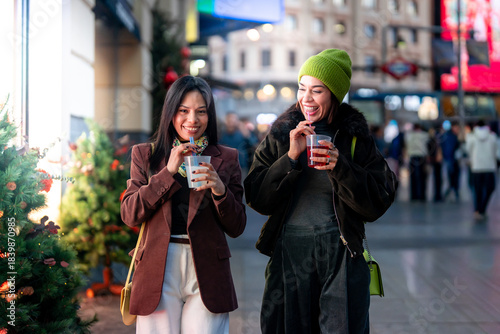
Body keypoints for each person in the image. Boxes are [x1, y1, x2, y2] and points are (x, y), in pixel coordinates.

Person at [244, 49, 398, 333]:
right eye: (302, 88)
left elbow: (378, 200)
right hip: (290, 250)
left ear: (335, 95)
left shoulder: (355, 137)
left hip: (340, 253)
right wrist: (289, 158)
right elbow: (257, 197)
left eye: (317, 90)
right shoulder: (281, 134)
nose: (306, 98)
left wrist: (341, 167)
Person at [120, 76, 246, 333]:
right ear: (171, 113)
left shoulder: (227, 158)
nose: (192, 120)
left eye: (201, 112)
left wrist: (220, 190)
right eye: (183, 111)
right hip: (158, 265)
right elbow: (130, 214)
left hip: (208, 268)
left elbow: (237, 225)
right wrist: (167, 172)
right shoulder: (146, 155)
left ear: (209, 116)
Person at [465, 120, 498, 220]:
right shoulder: (492, 136)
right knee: (490, 188)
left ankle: (478, 210)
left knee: (477, 190)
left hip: (476, 167)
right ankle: (482, 208)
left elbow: (468, 149)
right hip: (490, 166)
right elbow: (496, 151)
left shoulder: (471, 137)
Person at [405, 123, 429, 201]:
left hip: (412, 157)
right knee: (421, 177)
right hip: (421, 157)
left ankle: (413, 196)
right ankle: (421, 195)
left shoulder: (408, 136)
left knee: (413, 177)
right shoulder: (424, 135)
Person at [440, 121, 461, 202]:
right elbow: (449, 149)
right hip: (451, 160)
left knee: (452, 178)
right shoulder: (451, 136)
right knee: (452, 178)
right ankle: (450, 193)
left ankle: (451, 192)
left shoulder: (450, 136)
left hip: (451, 160)